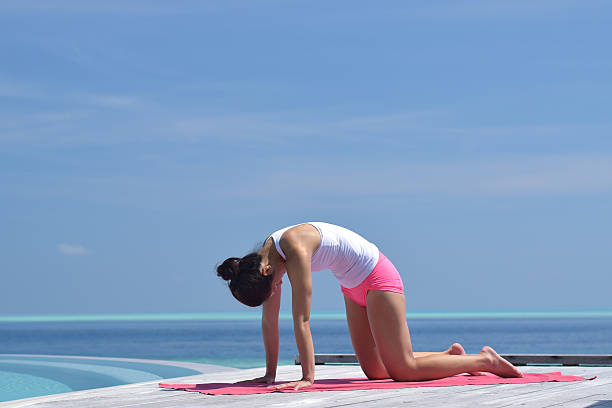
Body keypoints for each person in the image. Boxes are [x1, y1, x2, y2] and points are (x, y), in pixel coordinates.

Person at [216, 222, 523, 390]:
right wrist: (270, 375)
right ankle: (447, 357)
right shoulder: (263, 265)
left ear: (267, 273)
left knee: (403, 370)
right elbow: (269, 322)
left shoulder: (293, 250)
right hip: (353, 287)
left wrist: (308, 378)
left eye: (276, 287)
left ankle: (483, 361)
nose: (278, 291)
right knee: (375, 370)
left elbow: (302, 320)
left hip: (378, 277)